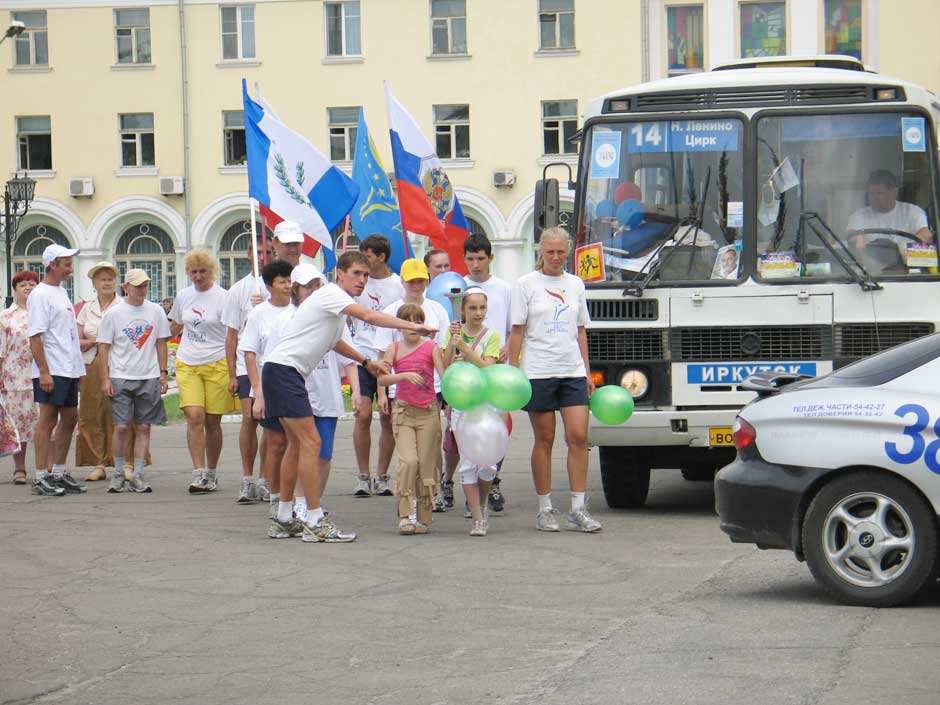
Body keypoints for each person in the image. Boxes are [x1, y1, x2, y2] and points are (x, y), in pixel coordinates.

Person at [262, 251, 436, 543]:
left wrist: (367, 362)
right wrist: (412, 326)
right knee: (311, 443)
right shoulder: (331, 293)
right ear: (339, 274)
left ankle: (283, 517)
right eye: (356, 273)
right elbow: (369, 315)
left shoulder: (333, 308)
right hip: (284, 372)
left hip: (280, 371)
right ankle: (314, 521)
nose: (362, 280)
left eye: (366, 275)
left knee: (296, 444)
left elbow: (336, 343)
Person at [506, 227, 601, 533]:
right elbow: (517, 330)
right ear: (540, 252)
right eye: (551, 252)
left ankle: (578, 508)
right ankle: (545, 508)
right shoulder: (525, 285)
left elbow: (581, 330)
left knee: (578, 437)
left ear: (568, 252)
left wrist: (587, 371)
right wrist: (513, 371)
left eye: (561, 252)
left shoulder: (575, 284)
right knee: (544, 439)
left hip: (571, 370)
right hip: (538, 371)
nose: (556, 258)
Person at [373, 258, 449, 509]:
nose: (417, 286)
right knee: (407, 449)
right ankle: (407, 495)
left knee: (433, 441)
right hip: (400, 390)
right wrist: (382, 393)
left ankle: (434, 490)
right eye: (412, 281)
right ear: (403, 282)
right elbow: (381, 357)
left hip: (432, 388)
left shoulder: (437, 309)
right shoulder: (390, 312)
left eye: (421, 281)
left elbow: (444, 350)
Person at [97, 269, 170, 493]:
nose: (141, 290)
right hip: (120, 376)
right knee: (120, 426)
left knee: (143, 427)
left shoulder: (156, 311)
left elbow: (161, 343)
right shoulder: (114, 313)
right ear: (126, 287)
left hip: (147, 376)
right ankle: (118, 472)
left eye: (145, 285)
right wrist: (105, 378)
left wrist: (163, 373)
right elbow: (103, 346)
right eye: (137, 286)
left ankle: (137, 474)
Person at [169, 248, 234, 494]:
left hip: (216, 361)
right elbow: (174, 325)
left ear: (212, 271)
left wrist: (233, 368)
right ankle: (198, 473)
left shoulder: (224, 297)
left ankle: (212, 472)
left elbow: (232, 333)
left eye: (202, 272)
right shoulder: (184, 296)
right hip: (188, 362)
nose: (198, 277)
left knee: (212, 422)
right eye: (193, 272)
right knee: (195, 416)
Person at [377, 304, 444, 535]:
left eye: (418, 320)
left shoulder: (431, 347)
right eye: (408, 321)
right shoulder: (393, 348)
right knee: (408, 461)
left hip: (428, 411)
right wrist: (401, 377)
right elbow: (382, 379)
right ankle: (405, 514)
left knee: (426, 464)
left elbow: (446, 374)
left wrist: (452, 346)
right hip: (404, 412)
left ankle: (424, 515)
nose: (413, 325)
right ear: (401, 325)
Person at [76, 261, 144, 481]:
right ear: (94, 283)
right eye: (102, 279)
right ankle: (98, 462)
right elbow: (77, 340)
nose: (106, 283)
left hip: (119, 365)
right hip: (90, 364)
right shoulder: (87, 308)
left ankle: (126, 462)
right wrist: (95, 340)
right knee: (91, 413)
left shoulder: (123, 306)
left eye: (110, 279)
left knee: (122, 414)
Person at [28, 243, 86, 496]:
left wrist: (78, 369)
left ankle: (59, 473)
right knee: (48, 419)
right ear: (53, 265)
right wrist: (44, 371)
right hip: (52, 368)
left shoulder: (61, 292)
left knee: (70, 418)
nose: (70, 269)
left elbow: (69, 334)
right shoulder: (40, 295)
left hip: (69, 367)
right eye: (66, 264)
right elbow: (35, 337)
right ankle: (41, 476)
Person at [442, 287, 501, 536]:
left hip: (486, 404)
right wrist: (452, 347)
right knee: (467, 464)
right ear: (463, 310)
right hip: (461, 404)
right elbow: (444, 366)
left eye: (482, 307)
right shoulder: (452, 332)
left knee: (487, 465)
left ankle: (483, 504)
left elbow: (488, 367)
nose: (478, 313)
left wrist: (465, 350)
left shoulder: (492, 336)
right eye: (472, 308)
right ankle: (476, 518)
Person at [223, 235, 275, 504]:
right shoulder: (239, 290)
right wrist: (232, 373)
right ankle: (247, 478)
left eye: (268, 251)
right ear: (249, 255)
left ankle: (265, 478)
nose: (263, 256)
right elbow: (231, 335)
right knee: (249, 418)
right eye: (259, 251)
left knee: (268, 421)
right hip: (246, 363)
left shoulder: (277, 287)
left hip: (272, 363)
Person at [462, 233, 512, 514]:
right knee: (463, 431)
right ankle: (462, 487)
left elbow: (512, 327)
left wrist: (508, 348)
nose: (475, 264)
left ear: (490, 258)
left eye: (481, 258)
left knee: (498, 429)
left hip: (494, 369)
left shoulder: (503, 288)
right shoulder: (459, 286)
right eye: (470, 258)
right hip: (466, 374)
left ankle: (492, 481)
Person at [350, 234, 404, 497]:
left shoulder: (397, 286)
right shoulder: (360, 283)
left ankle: (382, 475)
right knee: (362, 414)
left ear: (381, 257)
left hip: (388, 358)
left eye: (368, 255)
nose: (364, 261)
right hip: (362, 357)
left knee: (387, 417)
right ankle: (363, 475)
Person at [237, 258, 293, 504]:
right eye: (282, 281)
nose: (288, 286)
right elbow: (249, 353)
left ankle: (275, 483)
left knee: (288, 439)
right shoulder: (258, 313)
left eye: (290, 281)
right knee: (273, 437)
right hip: (266, 381)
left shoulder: (298, 310)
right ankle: (268, 484)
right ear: (269, 285)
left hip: (293, 381)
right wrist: (257, 389)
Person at [0, 270, 41, 485]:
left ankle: (46, 468)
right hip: (14, 378)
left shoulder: (43, 313)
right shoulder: (6, 317)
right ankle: (20, 468)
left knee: (43, 423)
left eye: (32, 284)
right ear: (15, 290)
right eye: (23, 284)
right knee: (19, 424)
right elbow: (1, 350)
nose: (27, 288)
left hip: (41, 376)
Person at [848, 169, 933, 246]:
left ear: (894, 192)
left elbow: (926, 235)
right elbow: (851, 234)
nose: (873, 197)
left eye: (879, 193)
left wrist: (903, 247)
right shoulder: (860, 215)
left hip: (905, 261)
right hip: (869, 262)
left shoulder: (913, 212)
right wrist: (856, 238)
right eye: (871, 193)